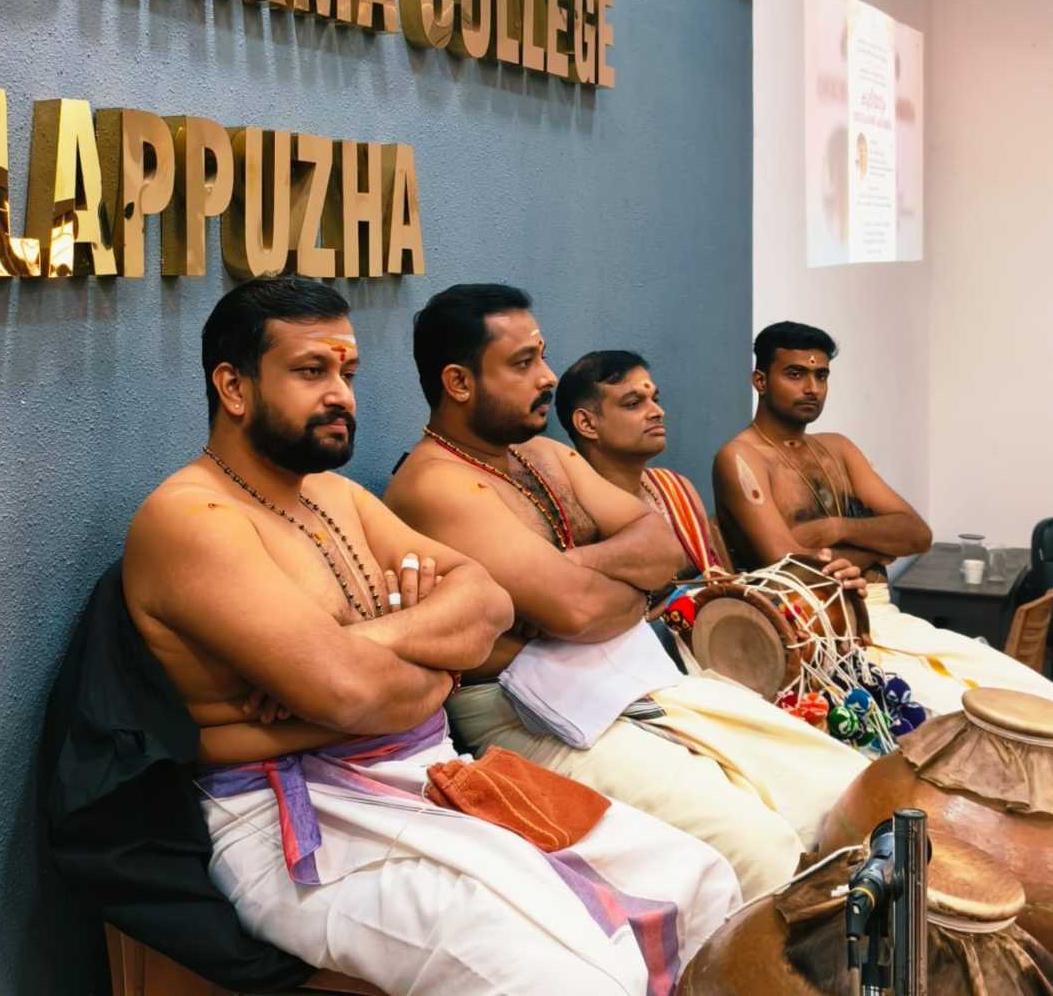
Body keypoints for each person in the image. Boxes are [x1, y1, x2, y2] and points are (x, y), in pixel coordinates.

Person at [119, 277, 741, 996]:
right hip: (299, 828)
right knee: (571, 976)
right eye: (311, 372)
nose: (342, 395)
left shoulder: (337, 495)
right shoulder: (192, 519)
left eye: (348, 374)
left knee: (699, 880)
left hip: (437, 773)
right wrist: (426, 666)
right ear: (233, 386)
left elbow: (487, 604)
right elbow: (351, 694)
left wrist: (363, 643)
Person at [385, 284, 872, 900]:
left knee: (841, 786)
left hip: (628, 672)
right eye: (523, 363)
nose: (547, 376)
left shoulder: (541, 453)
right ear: (458, 383)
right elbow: (578, 608)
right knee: (760, 849)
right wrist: (609, 593)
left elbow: (661, 544)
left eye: (542, 355)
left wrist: (569, 573)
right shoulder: (435, 484)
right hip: (529, 714)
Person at [713, 320, 1053, 714]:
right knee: (967, 712)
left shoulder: (837, 449)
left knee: (1050, 699)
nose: (812, 388)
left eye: (822, 376)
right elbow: (791, 569)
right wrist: (874, 550)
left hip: (881, 612)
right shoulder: (741, 457)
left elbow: (916, 534)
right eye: (796, 374)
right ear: (761, 381)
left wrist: (833, 528)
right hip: (820, 628)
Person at [554, 350, 728, 576]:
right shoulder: (572, 513)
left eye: (655, 400)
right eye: (633, 403)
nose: (658, 412)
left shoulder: (676, 489)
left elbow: (717, 581)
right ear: (587, 423)